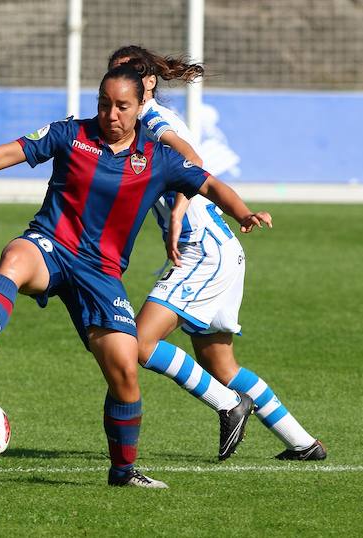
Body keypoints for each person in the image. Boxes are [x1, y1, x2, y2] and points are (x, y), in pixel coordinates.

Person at [0, 64, 271, 489]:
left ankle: (123, 474)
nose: (111, 114)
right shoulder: (71, 134)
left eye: (122, 106)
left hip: (102, 274)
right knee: (14, 257)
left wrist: (244, 212)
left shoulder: (158, 158)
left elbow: (210, 184)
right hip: (51, 244)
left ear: (142, 105)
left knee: (125, 370)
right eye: (104, 104)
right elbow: (13, 150)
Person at [109, 45, 325, 460]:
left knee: (136, 342)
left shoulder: (153, 119)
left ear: (148, 82)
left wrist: (177, 211)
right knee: (220, 364)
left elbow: (193, 161)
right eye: (114, 74)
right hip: (219, 249)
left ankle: (229, 405)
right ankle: (303, 443)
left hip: (202, 250)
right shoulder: (140, 122)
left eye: (131, 75)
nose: (121, 84)